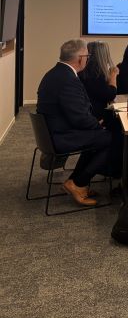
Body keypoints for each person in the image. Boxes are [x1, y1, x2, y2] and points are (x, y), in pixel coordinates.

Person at [36, 39, 114, 206]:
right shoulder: (68, 79)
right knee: (110, 139)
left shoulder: (54, 73)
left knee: (98, 137)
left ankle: (75, 181)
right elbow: (79, 117)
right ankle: (78, 183)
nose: (88, 59)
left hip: (51, 133)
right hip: (61, 136)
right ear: (80, 58)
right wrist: (97, 124)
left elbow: (76, 113)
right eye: (87, 56)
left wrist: (95, 124)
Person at [78, 41, 118, 120]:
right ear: (103, 55)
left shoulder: (84, 70)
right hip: (94, 118)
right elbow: (110, 95)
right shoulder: (96, 72)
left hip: (85, 114)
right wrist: (113, 75)